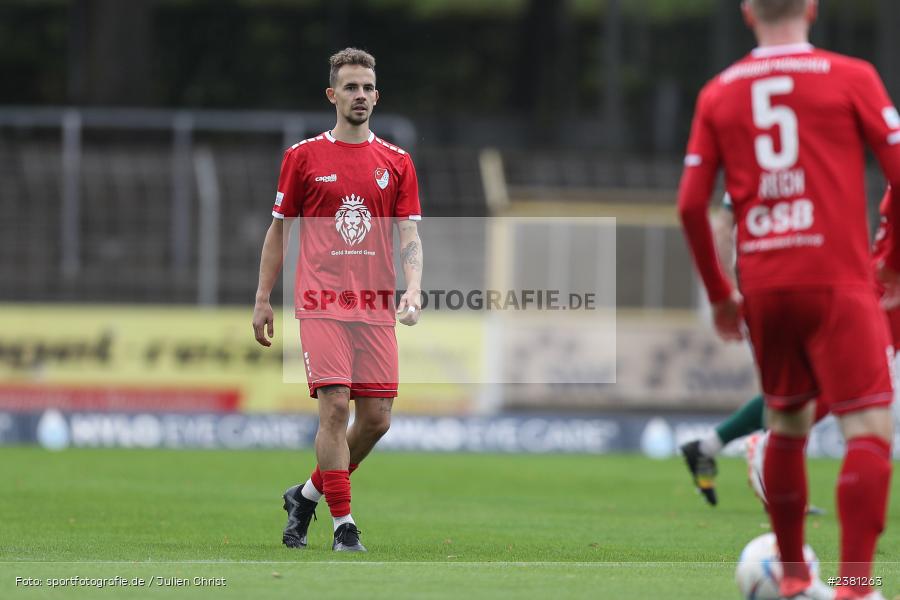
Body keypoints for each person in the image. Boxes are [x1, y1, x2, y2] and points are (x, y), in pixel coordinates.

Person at [678, 0, 900, 597]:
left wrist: (722, 296)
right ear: (811, 7)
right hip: (837, 277)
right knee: (870, 430)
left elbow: (690, 204)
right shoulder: (851, 76)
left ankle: (796, 584)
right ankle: (856, 586)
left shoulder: (719, 92)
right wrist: (895, 266)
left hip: (765, 285)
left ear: (747, 13)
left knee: (788, 422)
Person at [251, 48, 424, 553]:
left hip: (374, 305)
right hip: (321, 299)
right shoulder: (302, 157)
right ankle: (343, 525)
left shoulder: (396, 162)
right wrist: (263, 297)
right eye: (351, 87)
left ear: (377, 95)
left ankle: (304, 495)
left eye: (368, 88)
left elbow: (409, 233)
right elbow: (279, 232)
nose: (361, 96)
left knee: (376, 420)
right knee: (334, 407)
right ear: (333, 95)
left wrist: (413, 286)